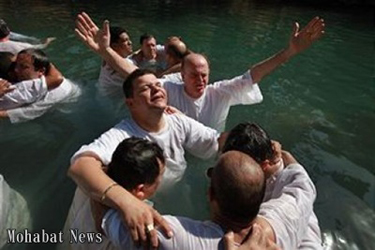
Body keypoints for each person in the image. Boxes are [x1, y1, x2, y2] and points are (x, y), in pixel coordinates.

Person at [74, 12, 325, 132]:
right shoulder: (170, 89)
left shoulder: (220, 93)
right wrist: (106, 52)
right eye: (194, 75)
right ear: (181, 75)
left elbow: (255, 73)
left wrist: (290, 51)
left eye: (204, 75)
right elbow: (133, 72)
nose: (201, 80)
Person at [68, 68, 226, 248]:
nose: (156, 89)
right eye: (146, 88)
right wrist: (127, 203)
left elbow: (217, 140)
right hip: (142, 201)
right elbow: (80, 165)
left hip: (173, 192)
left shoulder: (177, 121)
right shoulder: (122, 134)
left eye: (158, 84)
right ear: (130, 103)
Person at [102, 149, 316, 249]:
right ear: (262, 196)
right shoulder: (288, 212)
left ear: (210, 194)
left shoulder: (174, 238)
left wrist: (113, 184)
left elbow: (106, 218)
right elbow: (303, 183)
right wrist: (283, 155)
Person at [222, 122, 323, 249]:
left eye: (242, 169)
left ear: (264, 165)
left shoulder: (288, 191)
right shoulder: (295, 180)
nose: (236, 174)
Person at [62, 137, 165, 250]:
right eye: (160, 178)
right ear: (140, 190)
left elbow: (83, 165)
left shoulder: (88, 184)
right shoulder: (133, 226)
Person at [0, 48, 80, 123]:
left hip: (66, 105)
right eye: (16, 65)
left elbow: (27, 112)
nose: (16, 70)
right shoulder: (33, 83)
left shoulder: (55, 92)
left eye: (23, 67)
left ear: (41, 71)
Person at [98, 26, 133, 97]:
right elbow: (143, 82)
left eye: (129, 39)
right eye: (125, 41)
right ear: (115, 46)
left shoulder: (107, 59)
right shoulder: (115, 71)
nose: (130, 43)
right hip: (115, 106)